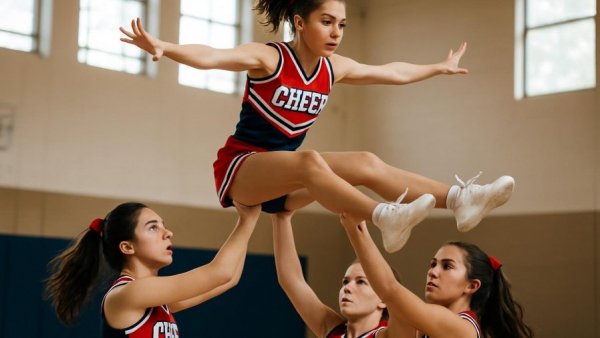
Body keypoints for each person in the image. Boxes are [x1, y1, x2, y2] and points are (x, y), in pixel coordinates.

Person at [119, 0, 515, 252]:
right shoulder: (268, 58)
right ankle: (382, 216)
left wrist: (436, 68)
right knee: (309, 161)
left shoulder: (333, 68)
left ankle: (460, 199)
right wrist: (166, 47)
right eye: (326, 22)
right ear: (299, 22)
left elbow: (389, 71)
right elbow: (212, 56)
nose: (336, 32)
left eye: (341, 24)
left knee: (364, 161)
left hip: (287, 182)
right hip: (242, 170)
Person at [45, 201, 260, 337]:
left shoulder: (157, 301)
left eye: (163, 225)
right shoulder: (129, 293)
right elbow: (219, 273)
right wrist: (247, 219)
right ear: (127, 246)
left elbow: (229, 278)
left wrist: (251, 217)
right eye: (153, 227)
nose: (168, 233)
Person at [340, 213, 535, 338]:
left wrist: (356, 230)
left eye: (447, 266)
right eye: (432, 264)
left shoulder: (462, 328)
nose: (433, 272)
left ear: (472, 286)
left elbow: (390, 289)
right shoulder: (424, 328)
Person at [272, 210, 399, 337]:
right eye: (345, 281)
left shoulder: (392, 334)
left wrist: (356, 231)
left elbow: (390, 287)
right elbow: (292, 280)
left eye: (361, 281)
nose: (347, 288)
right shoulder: (334, 331)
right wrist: (281, 217)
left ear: (383, 299)